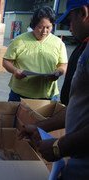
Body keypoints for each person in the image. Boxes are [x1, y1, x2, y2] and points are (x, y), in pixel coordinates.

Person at [19, 0, 89, 179]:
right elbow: (77, 106)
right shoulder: (85, 47)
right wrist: (40, 126)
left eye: (71, 20)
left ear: (83, 13)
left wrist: (59, 146)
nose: (70, 26)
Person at [3, 6, 68, 102]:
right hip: (20, 94)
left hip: (47, 95)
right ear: (33, 25)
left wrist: (58, 72)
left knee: (46, 118)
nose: (44, 31)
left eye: (48, 27)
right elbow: (6, 61)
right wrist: (15, 70)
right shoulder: (19, 40)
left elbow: (63, 64)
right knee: (16, 117)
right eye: (40, 27)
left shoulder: (58, 43)